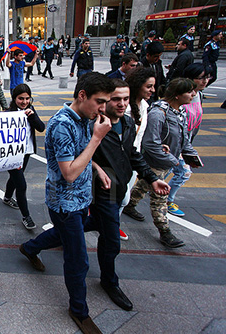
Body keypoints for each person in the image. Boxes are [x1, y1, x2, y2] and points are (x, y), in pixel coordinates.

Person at [19, 73, 115, 334]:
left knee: (64, 235)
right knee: (78, 259)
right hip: (65, 203)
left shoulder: (86, 118)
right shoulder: (62, 124)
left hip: (82, 197)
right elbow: (69, 171)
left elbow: (79, 153)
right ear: (82, 96)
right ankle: (78, 311)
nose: (103, 108)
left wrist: (97, 167)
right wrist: (97, 138)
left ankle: (29, 248)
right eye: (99, 101)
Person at [87, 79, 170, 312]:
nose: (122, 103)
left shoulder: (127, 122)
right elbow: (77, 153)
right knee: (111, 240)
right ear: (104, 100)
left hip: (120, 186)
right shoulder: (95, 124)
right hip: (103, 190)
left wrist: (151, 178)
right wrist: (96, 167)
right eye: (116, 99)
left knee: (85, 225)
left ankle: (34, 246)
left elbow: (132, 153)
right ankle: (109, 282)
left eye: (125, 98)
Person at [123, 78, 201, 248]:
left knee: (144, 185)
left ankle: (129, 205)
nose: (193, 95)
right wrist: (174, 160)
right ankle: (165, 231)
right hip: (156, 161)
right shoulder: (159, 113)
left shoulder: (180, 112)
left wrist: (190, 155)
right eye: (189, 92)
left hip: (167, 161)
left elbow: (184, 137)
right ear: (177, 95)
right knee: (160, 197)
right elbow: (150, 142)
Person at [164, 63, 208, 217]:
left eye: (207, 77)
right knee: (182, 172)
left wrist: (189, 148)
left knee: (163, 174)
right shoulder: (174, 103)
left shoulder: (199, 96)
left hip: (184, 143)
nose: (205, 81)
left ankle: (159, 197)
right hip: (173, 145)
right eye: (201, 78)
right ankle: (167, 201)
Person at [120, 66, 157, 240]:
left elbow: (140, 138)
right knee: (122, 198)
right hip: (118, 160)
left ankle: (112, 223)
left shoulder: (144, 106)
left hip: (133, 158)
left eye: (153, 86)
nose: (152, 90)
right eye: (149, 86)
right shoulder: (123, 109)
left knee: (123, 198)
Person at [2, 84, 45, 230]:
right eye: (21, 99)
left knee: (15, 179)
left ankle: (7, 197)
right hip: (12, 155)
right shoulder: (8, 113)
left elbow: (41, 128)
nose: (25, 102)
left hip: (26, 152)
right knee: (21, 184)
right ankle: (26, 216)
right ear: (14, 99)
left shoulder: (31, 110)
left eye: (27, 98)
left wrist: (32, 117)